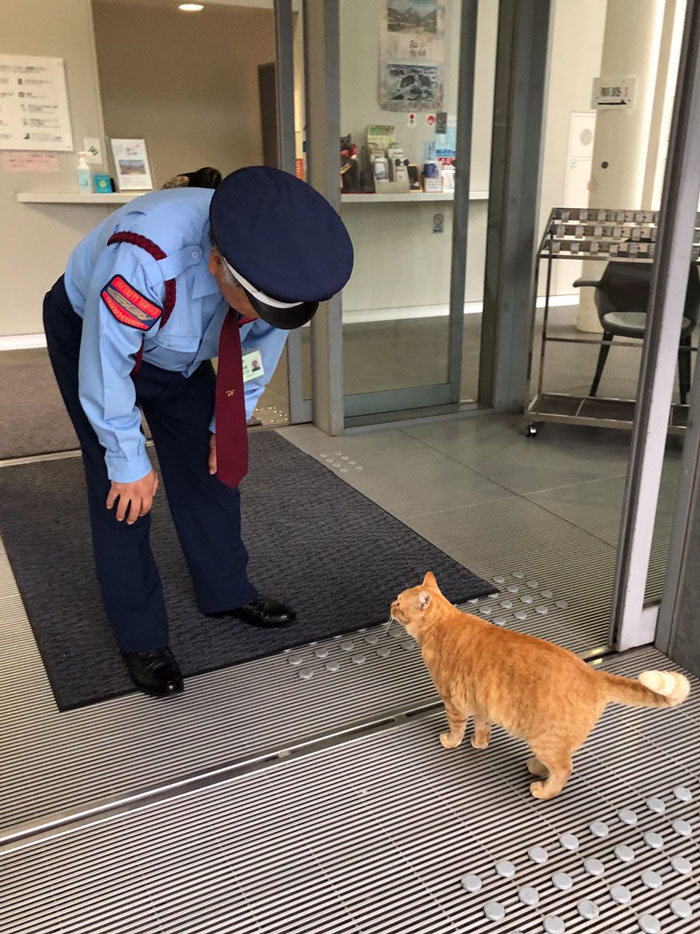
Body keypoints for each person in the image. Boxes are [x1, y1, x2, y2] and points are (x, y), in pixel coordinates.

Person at [43, 166, 353, 697]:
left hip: (180, 352)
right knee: (123, 493)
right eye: (255, 307)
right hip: (91, 332)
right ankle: (140, 635)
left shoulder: (274, 279)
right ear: (217, 264)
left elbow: (257, 348)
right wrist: (126, 458)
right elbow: (106, 364)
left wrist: (227, 423)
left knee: (213, 467)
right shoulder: (142, 258)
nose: (263, 319)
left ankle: (226, 589)